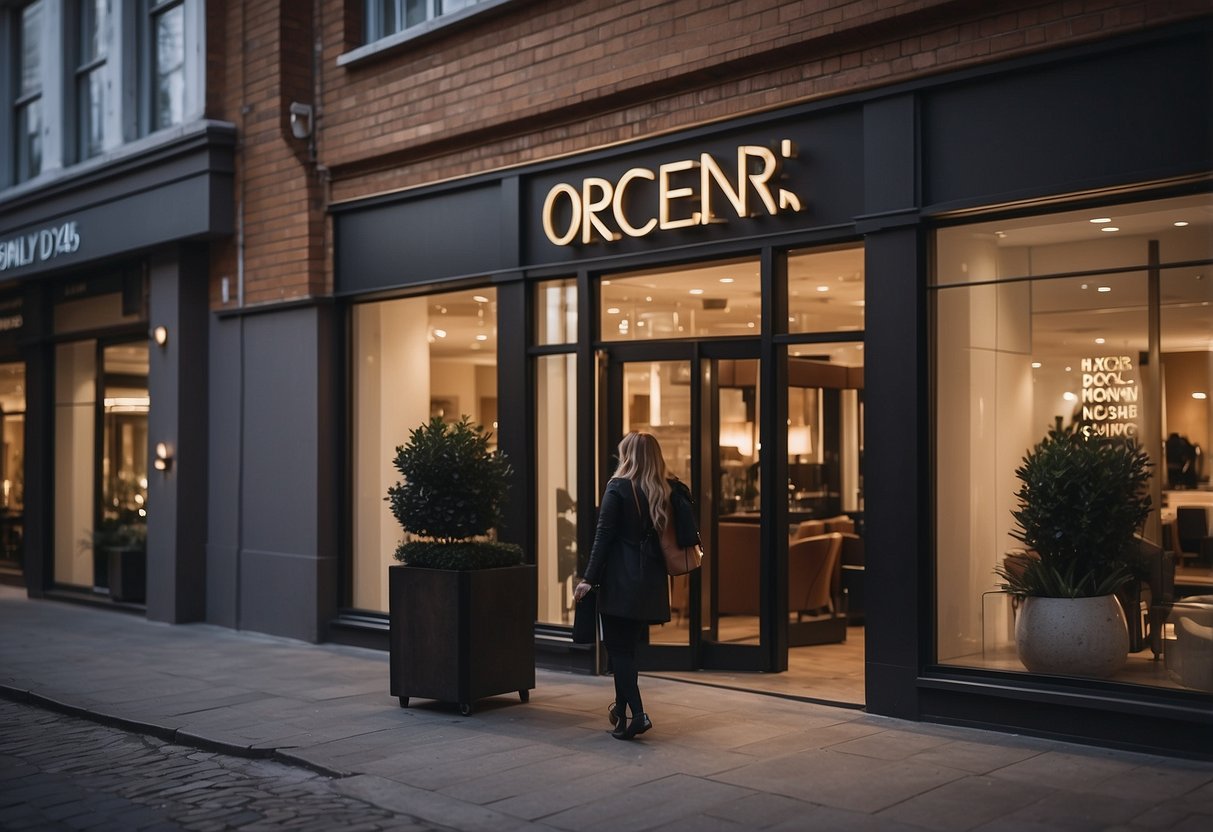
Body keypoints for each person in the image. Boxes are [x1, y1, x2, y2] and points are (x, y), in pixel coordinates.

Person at [573, 432, 672, 740]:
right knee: (625, 649)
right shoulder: (663, 491)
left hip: (620, 580)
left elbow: (602, 538)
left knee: (619, 650)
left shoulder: (618, 488)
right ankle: (620, 712)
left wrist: (587, 579)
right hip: (650, 581)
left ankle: (638, 714)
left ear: (627, 455)